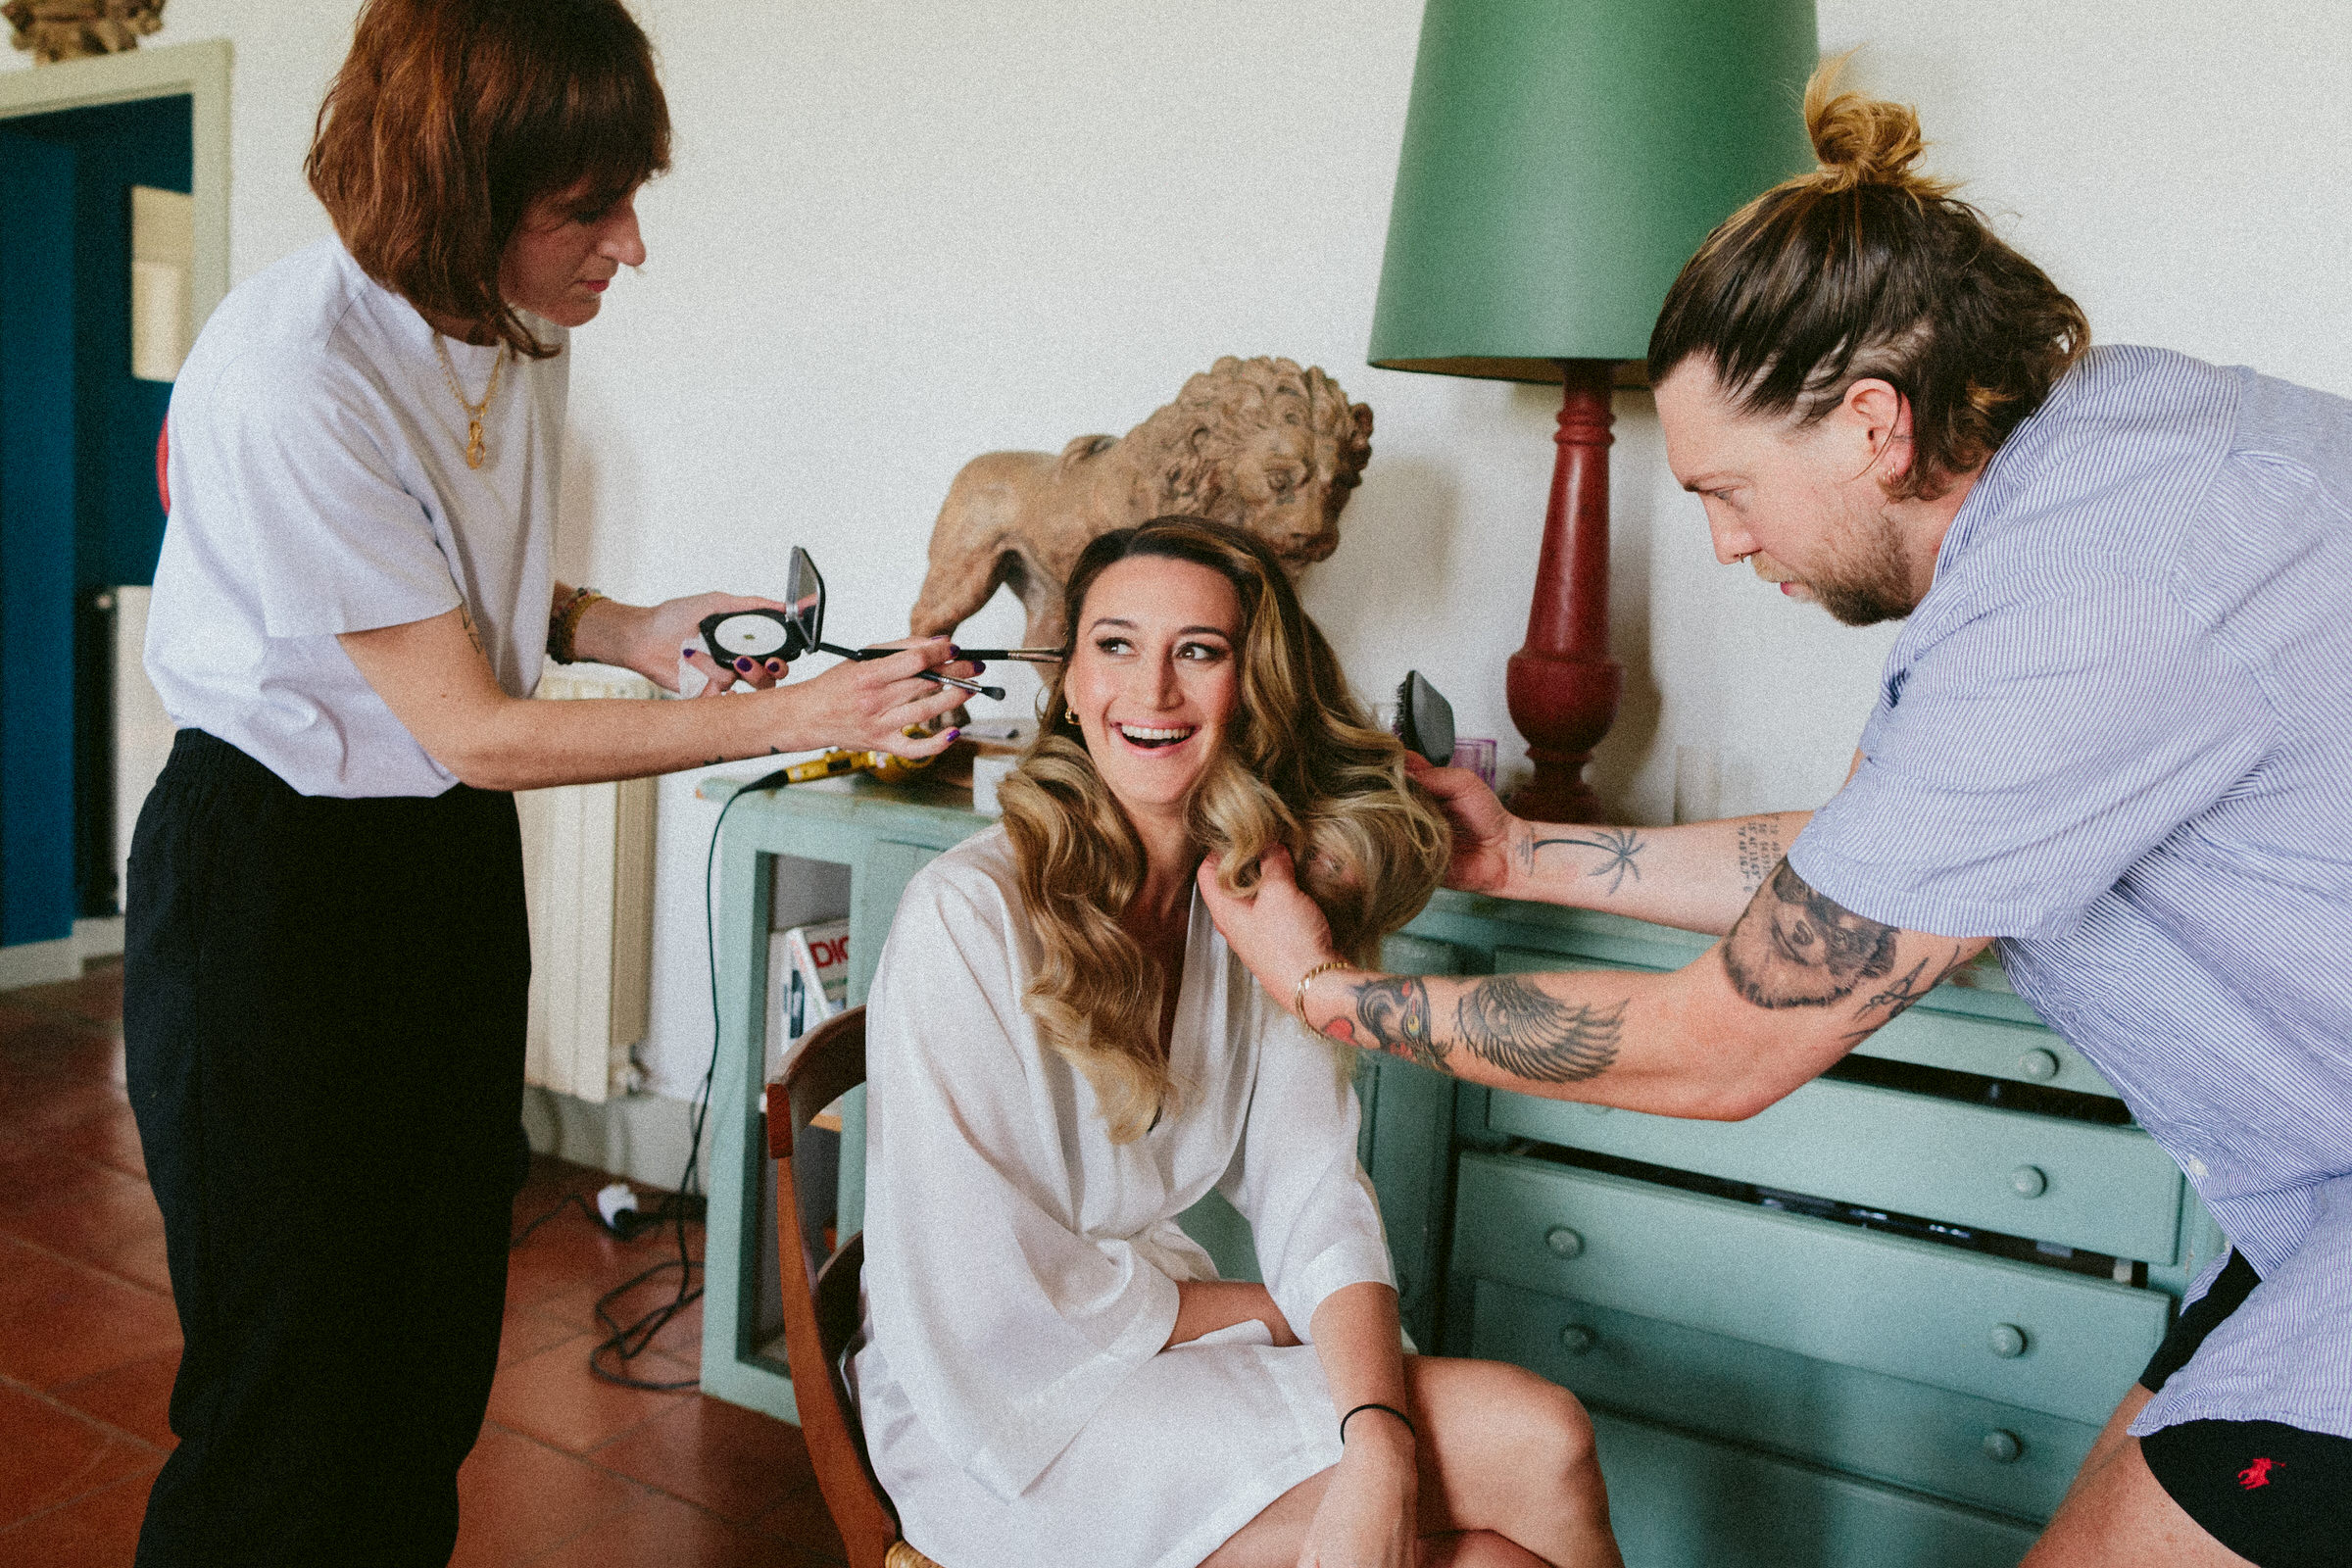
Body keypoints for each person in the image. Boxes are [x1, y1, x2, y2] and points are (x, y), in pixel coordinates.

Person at [1200, 61, 2352, 1568]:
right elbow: (1868, 864)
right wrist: (1526, 854)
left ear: (1873, 423)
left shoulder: (2086, 603)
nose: (1727, 545)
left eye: (1729, 489)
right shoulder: (2110, 459)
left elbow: (1725, 1046)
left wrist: (1332, 995)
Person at [124, 3, 972, 1562]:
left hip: (442, 860)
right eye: (588, 209)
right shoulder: (293, 376)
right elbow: (477, 726)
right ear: (456, 194)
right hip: (271, 879)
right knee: (288, 1395)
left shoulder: (514, 329)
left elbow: (443, 595)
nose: (629, 246)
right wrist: (802, 717)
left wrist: (627, 629)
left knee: (433, 1350)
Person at [849, 517, 1623, 1568]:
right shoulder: (967, 916)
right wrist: (1277, 1313)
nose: (1154, 690)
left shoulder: (1254, 905)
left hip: (1147, 1347)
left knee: (1500, 1547)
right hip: (993, 1413)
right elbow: (985, 1300)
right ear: (1070, 683)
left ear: (1251, 688)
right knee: (1540, 1440)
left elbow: (1315, 1191)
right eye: (1116, 645)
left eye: (1200, 651)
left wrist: (1379, 1443)